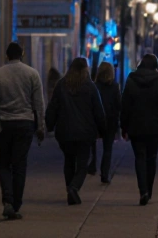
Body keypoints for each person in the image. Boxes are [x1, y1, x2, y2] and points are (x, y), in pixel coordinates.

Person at [0, 42, 46, 221]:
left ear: (7, 56)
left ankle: (7, 200)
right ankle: (16, 204)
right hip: (24, 124)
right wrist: (40, 126)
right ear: (22, 54)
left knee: (4, 164)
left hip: (5, 124)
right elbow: (38, 103)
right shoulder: (32, 74)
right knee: (19, 165)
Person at [45, 57, 106, 205]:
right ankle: (74, 187)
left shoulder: (61, 85)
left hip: (65, 132)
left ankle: (69, 189)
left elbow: (53, 108)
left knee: (69, 160)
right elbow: (98, 111)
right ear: (85, 69)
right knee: (83, 163)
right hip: (85, 132)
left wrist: (49, 125)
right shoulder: (90, 87)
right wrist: (102, 130)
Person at [121, 54, 158, 206]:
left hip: (136, 125)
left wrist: (124, 126)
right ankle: (148, 189)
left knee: (140, 157)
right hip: (155, 126)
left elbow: (125, 105)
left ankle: (142, 190)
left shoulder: (131, 79)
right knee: (152, 158)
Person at [87, 61, 122, 183]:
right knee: (108, 149)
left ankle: (92, 164)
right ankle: (104, 173)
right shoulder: (114, 86)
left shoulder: (94, 86)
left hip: (95, 119)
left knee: (92, 143)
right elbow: (119, 105)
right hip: (110, 120)